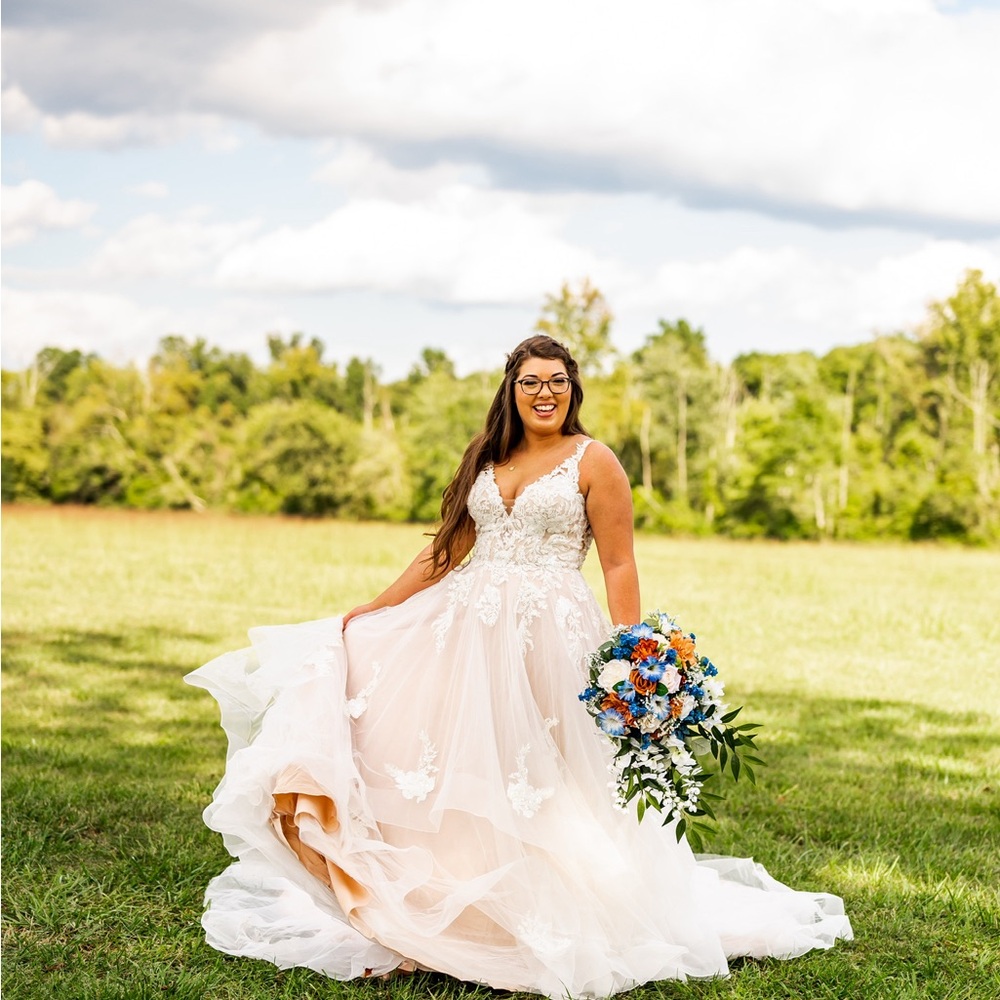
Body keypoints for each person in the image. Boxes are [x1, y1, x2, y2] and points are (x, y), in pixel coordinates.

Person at [186, 335, 852, 999]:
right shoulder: (486, 455)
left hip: (552, 635)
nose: (545, 394)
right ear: (511, 389)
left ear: (573, 389)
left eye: (557, 382)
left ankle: (547, 913)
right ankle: (453, 907)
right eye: (532, 382)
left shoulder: (595, 461)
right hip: (464, 630)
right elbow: (445, 551)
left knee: (542, 773)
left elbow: (618, 562)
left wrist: (632, 654)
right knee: (448, 757)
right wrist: (374, 608)